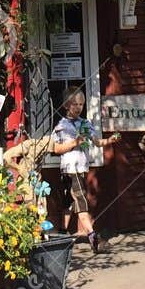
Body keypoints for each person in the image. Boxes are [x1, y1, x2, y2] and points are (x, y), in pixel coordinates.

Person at [51, 89, 104, 251]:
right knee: (81, 202)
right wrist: (75, 142)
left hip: (80, 168)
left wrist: (109, 140)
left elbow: (96, 141)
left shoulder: (85, 123)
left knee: (69, 202)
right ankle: (92, 236)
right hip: (70, 168)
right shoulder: (61, 126)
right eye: (75, 104)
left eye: (81, 104)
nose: (79, 107)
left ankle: (62, 233)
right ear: (67, 105)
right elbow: (56, 149)